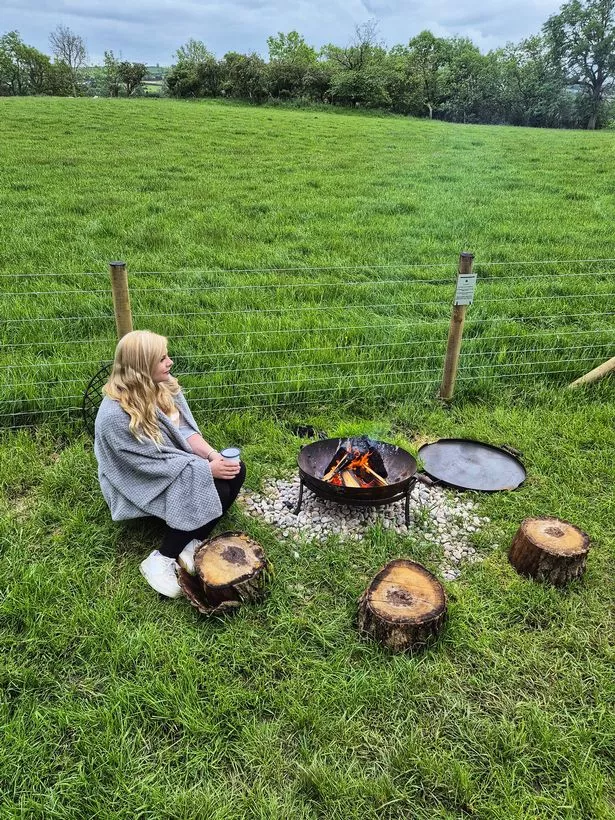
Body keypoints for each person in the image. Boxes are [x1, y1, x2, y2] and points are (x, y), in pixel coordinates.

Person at [94, 330, 246, 598]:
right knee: (214, 487)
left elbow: (186, 431)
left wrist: (212, 456)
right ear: (142, 367)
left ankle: (193, 540)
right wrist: (204, 471)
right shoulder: (113, 416)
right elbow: (141, 465)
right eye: (162, 358)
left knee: (235, 471)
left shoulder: (163, 386)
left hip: (174, 460)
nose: (170, 362)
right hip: (141, 477)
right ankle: (161, 558)